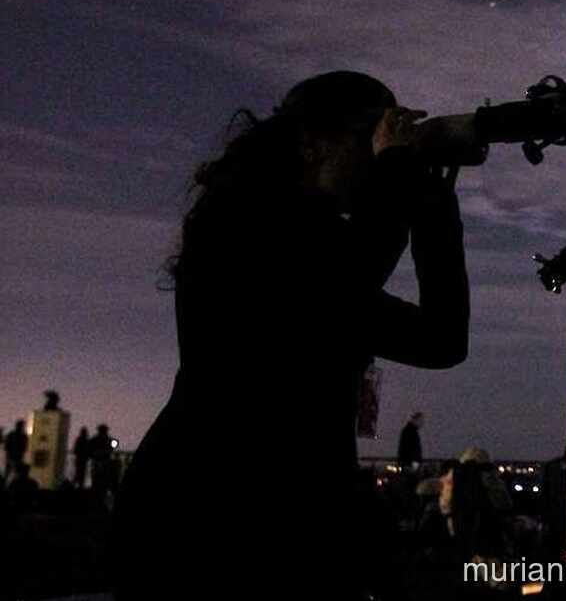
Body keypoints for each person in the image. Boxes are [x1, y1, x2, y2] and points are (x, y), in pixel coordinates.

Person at [112, 72, 471, 601]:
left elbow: (441, 341)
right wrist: (403, 175)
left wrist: (434, 202)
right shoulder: (240, 228)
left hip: (286, 520)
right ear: (311, 143)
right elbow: (339, 275)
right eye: (371, 136)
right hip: (206, 520)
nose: (380, 153)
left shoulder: (321, 254)